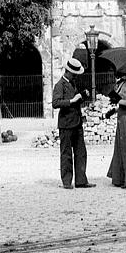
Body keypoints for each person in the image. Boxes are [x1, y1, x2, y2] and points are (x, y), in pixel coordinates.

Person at [52, 58, 94, 189]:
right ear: (68, 72)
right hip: (66, 124)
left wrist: (82, 96)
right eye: (74, 74)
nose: (76, 76)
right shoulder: (59, 85)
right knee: (66, 154)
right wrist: (71, 101)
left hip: (76, 123)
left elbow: (75, 100)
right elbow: (55, 103)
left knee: (81, 152)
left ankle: (81, 180)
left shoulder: (72, 83)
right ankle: (66, 182)